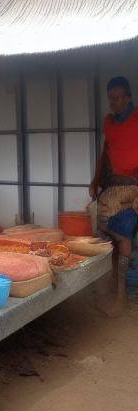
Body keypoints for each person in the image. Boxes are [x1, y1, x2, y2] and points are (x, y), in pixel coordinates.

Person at [90, 76, 138, 315]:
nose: (115, 103)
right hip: (112, 189)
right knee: (100, 230)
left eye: (119, 98)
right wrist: (95, 182)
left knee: (124, 233)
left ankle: (121, 298)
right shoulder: (108, 122)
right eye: (111, 99)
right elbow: (105, 154)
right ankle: (106, 290)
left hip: (134, 189)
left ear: (128, 96)